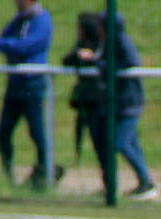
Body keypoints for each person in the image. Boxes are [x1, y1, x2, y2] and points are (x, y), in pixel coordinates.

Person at [66, 13, 157, 199]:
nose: (98, 28)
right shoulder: (107, 43)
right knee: (131, 143)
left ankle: (147, 183)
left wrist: (103, 64)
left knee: (121, 142)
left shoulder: (121, 41)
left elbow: (130, 63)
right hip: (118, 103)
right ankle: (144, 181)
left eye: (101, 25)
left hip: (129, 103)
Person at [0, 0, 55, 189]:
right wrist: (13, 45)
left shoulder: (43, 20)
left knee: (37, 132)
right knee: (3, 132)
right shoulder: (18, 20)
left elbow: (25, 47)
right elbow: (1, 41)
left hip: (33, 84)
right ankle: (8, 177)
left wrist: (13, 46)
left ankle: (45, 174)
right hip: (15, 84)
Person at [62, 13, 103, 166]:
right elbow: (66, 61)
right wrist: (78, 54)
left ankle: (106, 176)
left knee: (99, 136)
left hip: (98, 99)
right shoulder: (81, 45)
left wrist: (92, 57)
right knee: (80, 128)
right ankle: (77, 158)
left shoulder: (100, 44)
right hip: (84, 98)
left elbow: (102, 60)